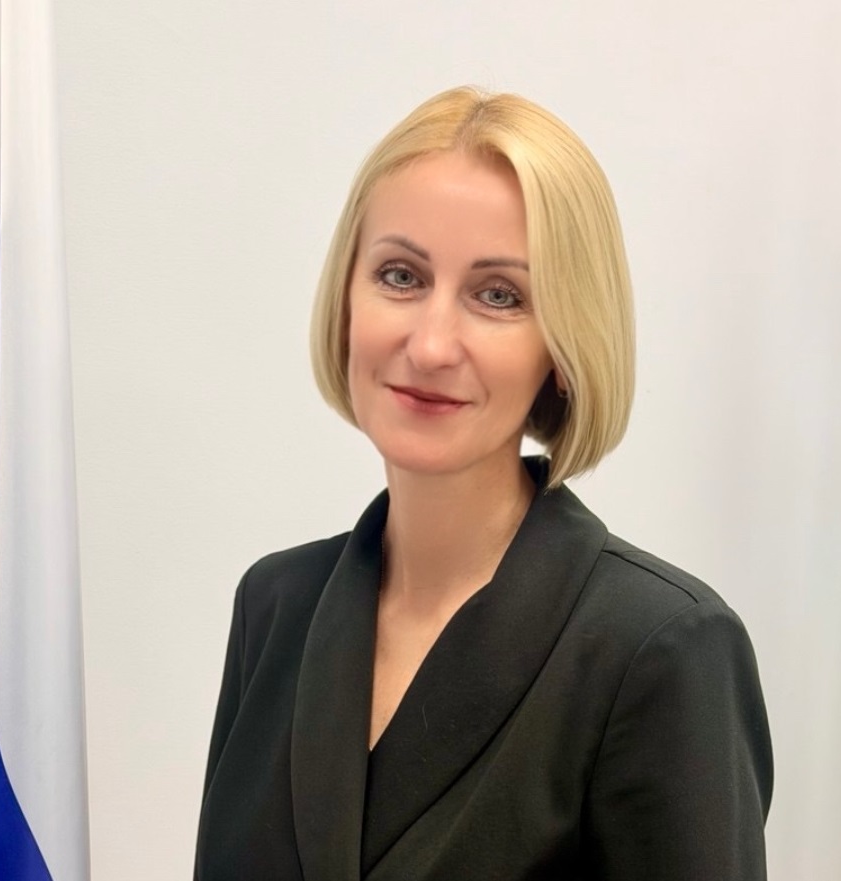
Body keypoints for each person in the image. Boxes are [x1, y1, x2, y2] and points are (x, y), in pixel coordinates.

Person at [194, 86, 773, 881]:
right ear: (345, 299)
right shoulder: (274, 605)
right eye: (400, 275)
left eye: (498, 295)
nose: (431, 344)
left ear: (563, 347)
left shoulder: (660, 648)